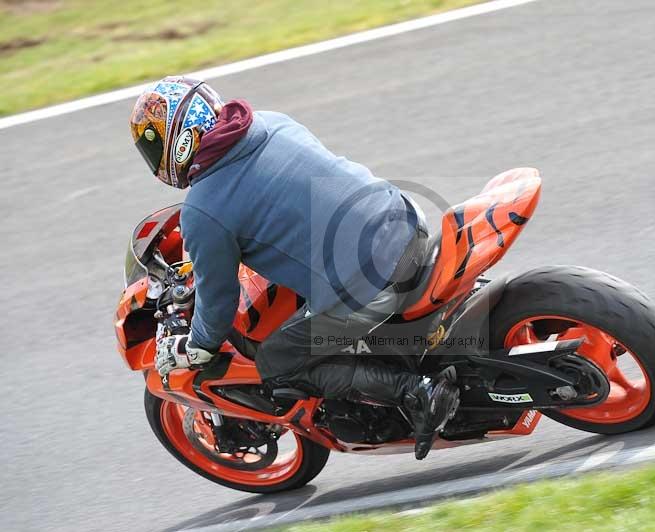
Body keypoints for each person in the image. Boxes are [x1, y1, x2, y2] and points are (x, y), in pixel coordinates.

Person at [129, 76, 459, 460]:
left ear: (178, 142)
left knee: (278, 362)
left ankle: (417, 391)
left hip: (373, 280)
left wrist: (194, 347)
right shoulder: (271, 122)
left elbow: (218, 304)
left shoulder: (203, 210)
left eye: (153, 145)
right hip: (404, 219)